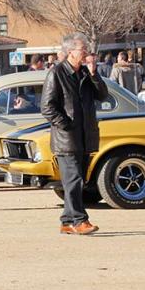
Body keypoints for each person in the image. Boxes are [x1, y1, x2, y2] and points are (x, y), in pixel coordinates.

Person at [41, 33, 109, 236]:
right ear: (70, 52)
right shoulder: (57, 73)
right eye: (83, 49)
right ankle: (80, 220)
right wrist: (66, 125)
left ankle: (67, 221)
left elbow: (103, 95)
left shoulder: (86, 74)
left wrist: (94, 73)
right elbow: (47, 107)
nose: (87, 53)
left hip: (85, 136)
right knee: (74, 180)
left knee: (77, 180)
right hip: (67, 139)